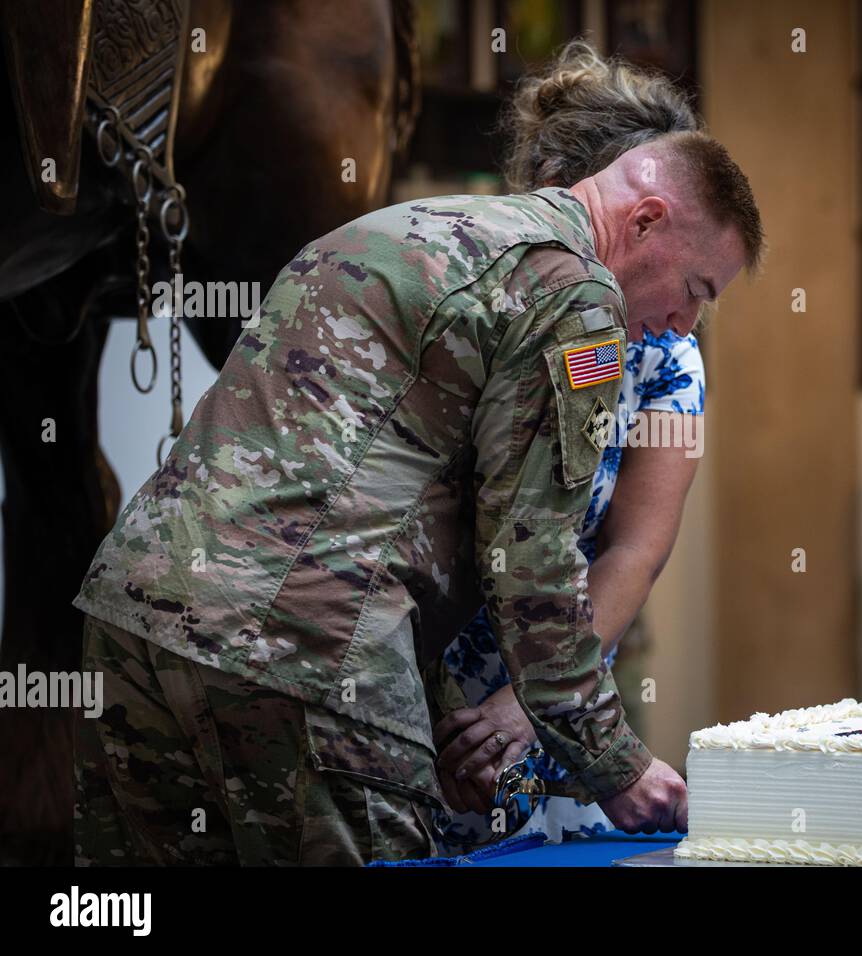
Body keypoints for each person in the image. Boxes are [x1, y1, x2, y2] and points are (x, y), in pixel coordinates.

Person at [71, 129, 764, 865]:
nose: (684, 325)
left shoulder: (400, 227)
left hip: (135, 616)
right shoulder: (575, 294)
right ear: (646, 219)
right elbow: (530, 561)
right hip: (304, 652)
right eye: (695, 290)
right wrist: (614, 764)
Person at [426, 41, 710, 848]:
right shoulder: (481, 297)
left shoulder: (665, 350)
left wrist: (534, 704)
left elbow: (635, 547)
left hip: (566, 665)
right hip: (416, 658)